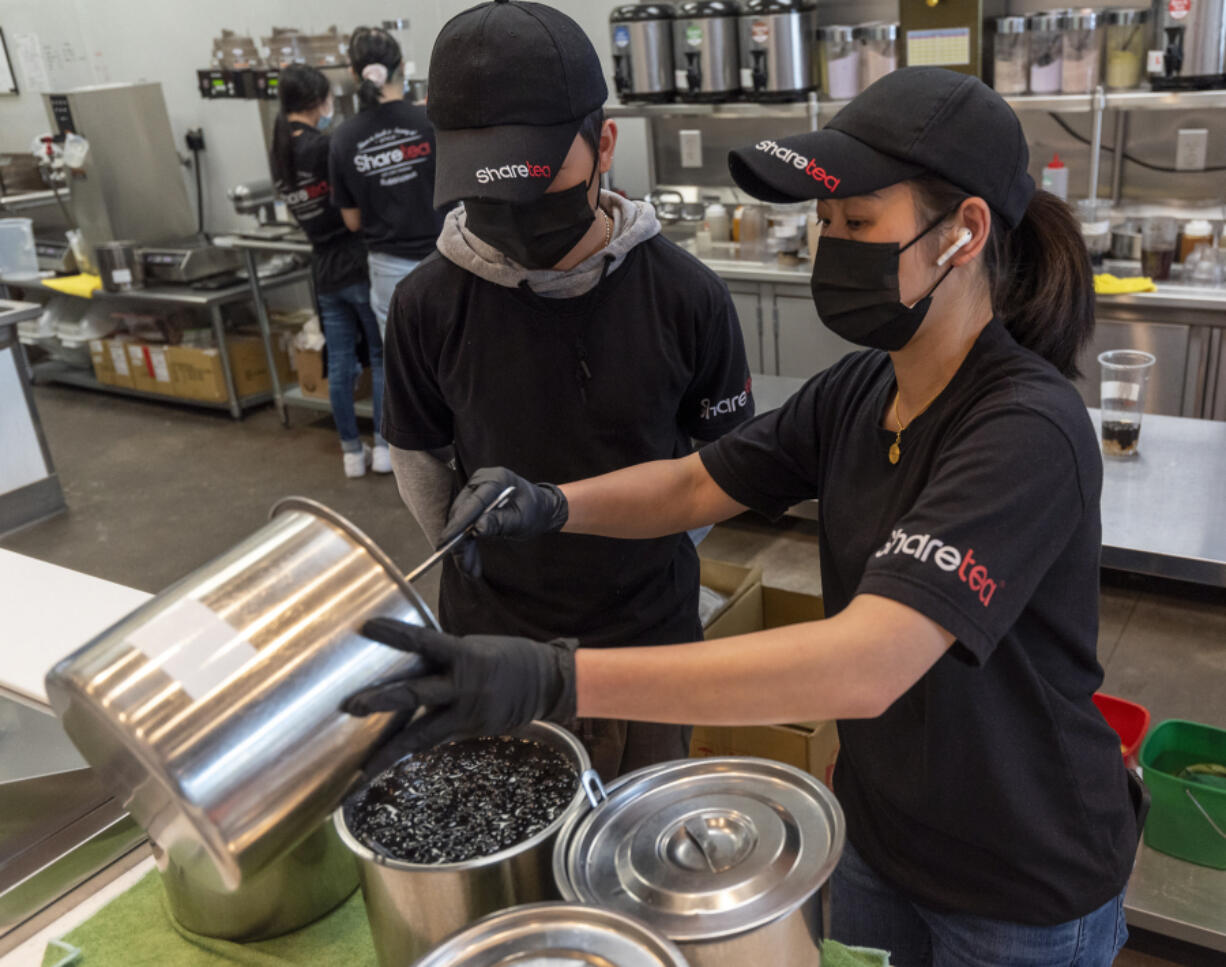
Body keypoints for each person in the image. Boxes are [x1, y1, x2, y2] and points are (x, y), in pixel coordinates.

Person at [344, 68, 1147, 966]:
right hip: (883, 835)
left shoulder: (1024, 427)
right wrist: (548, 504)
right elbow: (695, 486)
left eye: (858, 223)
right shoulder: (861, 389)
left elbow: (867, 663)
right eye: (826, 223)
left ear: (962, 232)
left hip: (1020, 871)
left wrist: (559, 676)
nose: (829, 246)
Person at [378, 0, 755, 779]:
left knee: (640, 844)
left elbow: (728, 462)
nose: (514, 208)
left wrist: (659, 546)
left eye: (537, 176)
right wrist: (456, 538)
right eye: (485, 185)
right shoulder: (427, 303)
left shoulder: (685, 296)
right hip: (494, 643)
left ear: (605, 142)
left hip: (647, 640)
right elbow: (418, 447)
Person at [269, 64, 386, 478]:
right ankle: (387, 446)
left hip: (323, 271)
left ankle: (352, 452)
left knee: (338, 363)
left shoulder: (280, 150)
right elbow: (356, 204)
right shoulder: (326, 146)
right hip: (355, 262)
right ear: (319, 101)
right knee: (380, 356)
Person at [328, 26, 444, 339]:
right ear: (402, 66)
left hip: (390, 270)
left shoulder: (343, 138)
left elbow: (351, 221)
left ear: (354, 74)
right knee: (460, 360)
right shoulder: (431, 121)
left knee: (406, 370)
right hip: (447, 258)